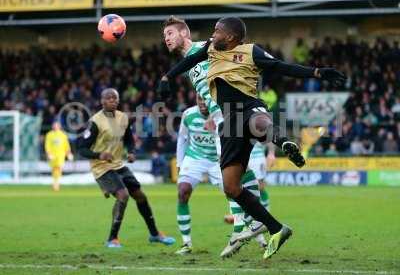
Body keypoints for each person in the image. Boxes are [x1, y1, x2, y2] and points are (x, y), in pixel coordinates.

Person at [160, 17, 346, 259]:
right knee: (231, 186)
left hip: (245, 107)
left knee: (257, 121)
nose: (213, 34)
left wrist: (318, 72)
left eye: (171, 33)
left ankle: (281, 142)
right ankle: (274, 228)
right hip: (224, 121)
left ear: (229, 36)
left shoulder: (246, 50)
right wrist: (166, 78)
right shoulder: (208, 51)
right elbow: (191, 62)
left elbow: (281, 66)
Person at [163, 16, 266, 257]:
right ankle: (250, 224)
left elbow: (231, 51)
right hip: (221, 117)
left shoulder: (204, 47)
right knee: (235, 174)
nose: (166, 38)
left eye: (170, 33)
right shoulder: (189, 63)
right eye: (164, 35)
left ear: (184, 33)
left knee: (232, 177)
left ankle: (248, 225)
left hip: (231, 114)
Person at [77, 88, 175, 248]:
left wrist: (131, 152)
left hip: (118, 165)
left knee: (140, 196)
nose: (113, 101)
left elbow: (129, 140)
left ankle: (155, 234)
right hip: (101, 167)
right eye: (109, 98)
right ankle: (112, 239)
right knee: (123, 195)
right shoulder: (95, 122)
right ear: (102, 101)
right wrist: (99, 155)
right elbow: (82, 149)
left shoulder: (123, 118)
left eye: (115, 98)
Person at [44, 121, 73, 191]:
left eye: (57, 125)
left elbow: (66, 145)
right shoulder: (49, 135)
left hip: (61, 155)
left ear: (59, 126)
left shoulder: (63, 135)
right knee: (54, 169)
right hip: (52, 154)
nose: (55, 127)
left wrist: (69, 153)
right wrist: (48, 153)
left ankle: (56, 183)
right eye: (54, 125)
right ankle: (56, 182)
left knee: (58, 167)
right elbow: (47, 145)